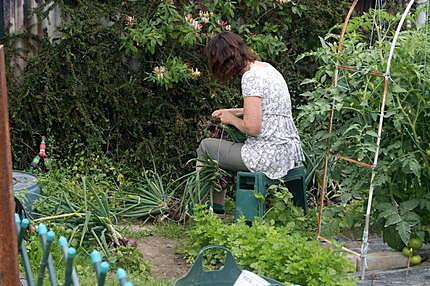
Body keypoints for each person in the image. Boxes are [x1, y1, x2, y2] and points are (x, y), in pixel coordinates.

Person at [197, 31, 304, 213]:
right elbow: (268, 108)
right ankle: (216, 207)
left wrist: (231, 119)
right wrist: (234, 111)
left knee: (206, 147)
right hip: (289, 152)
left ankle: (206, 209)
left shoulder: (250, 77)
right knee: (223, 146)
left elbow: (253, 128)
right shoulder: (265, 68)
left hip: (267, 157)